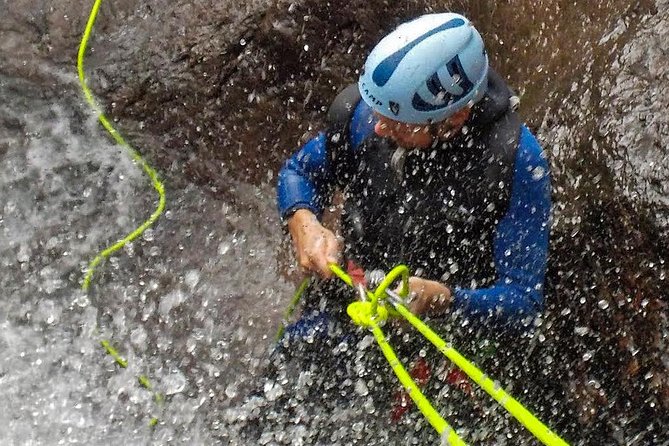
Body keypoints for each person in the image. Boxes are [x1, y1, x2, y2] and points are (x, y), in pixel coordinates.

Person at [277, 12, 551, 326]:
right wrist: (305, 223)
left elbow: (524, 299)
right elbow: (298, 172)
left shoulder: (514, 161)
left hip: (446, 328)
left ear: (455, 119)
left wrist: (446, 299)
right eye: (378, 113)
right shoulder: (363, 116)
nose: (379, 128)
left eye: (398, 124)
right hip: (352, 295)